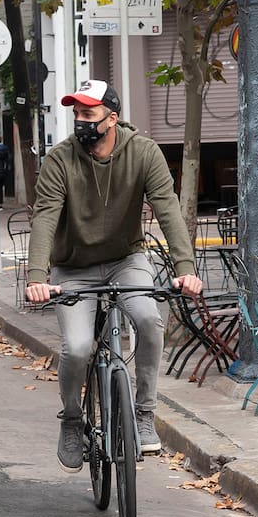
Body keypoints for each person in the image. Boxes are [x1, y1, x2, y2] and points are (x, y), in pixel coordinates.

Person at [24, 79, 203, 472]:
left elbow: (168, 210)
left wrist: (185, 268)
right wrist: (37, 275)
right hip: (73, 267)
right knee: (76, 347)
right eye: (77, 114)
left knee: (148, 320)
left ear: (112, 118)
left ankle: (143, 414)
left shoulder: (143, 152)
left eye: (88, 114)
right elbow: (45, 217)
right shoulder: (60, 159)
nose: (81, 121)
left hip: (126, 259)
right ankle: (72, 418)